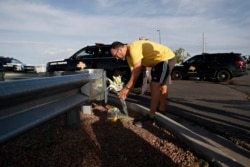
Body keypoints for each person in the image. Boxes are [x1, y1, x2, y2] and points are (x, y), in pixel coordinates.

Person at [110, 39, 176, 127]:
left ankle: (151, 118)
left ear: (121, 50)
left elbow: (137, 70)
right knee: (161, 86)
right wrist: (127, 91)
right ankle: (161, 111)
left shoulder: (133, 48)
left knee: (155, 85)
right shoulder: (129, 57)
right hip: (157, 62)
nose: (116, 58)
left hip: (165, 58)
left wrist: (126, 88)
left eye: (115, 55)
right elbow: (134, 75)